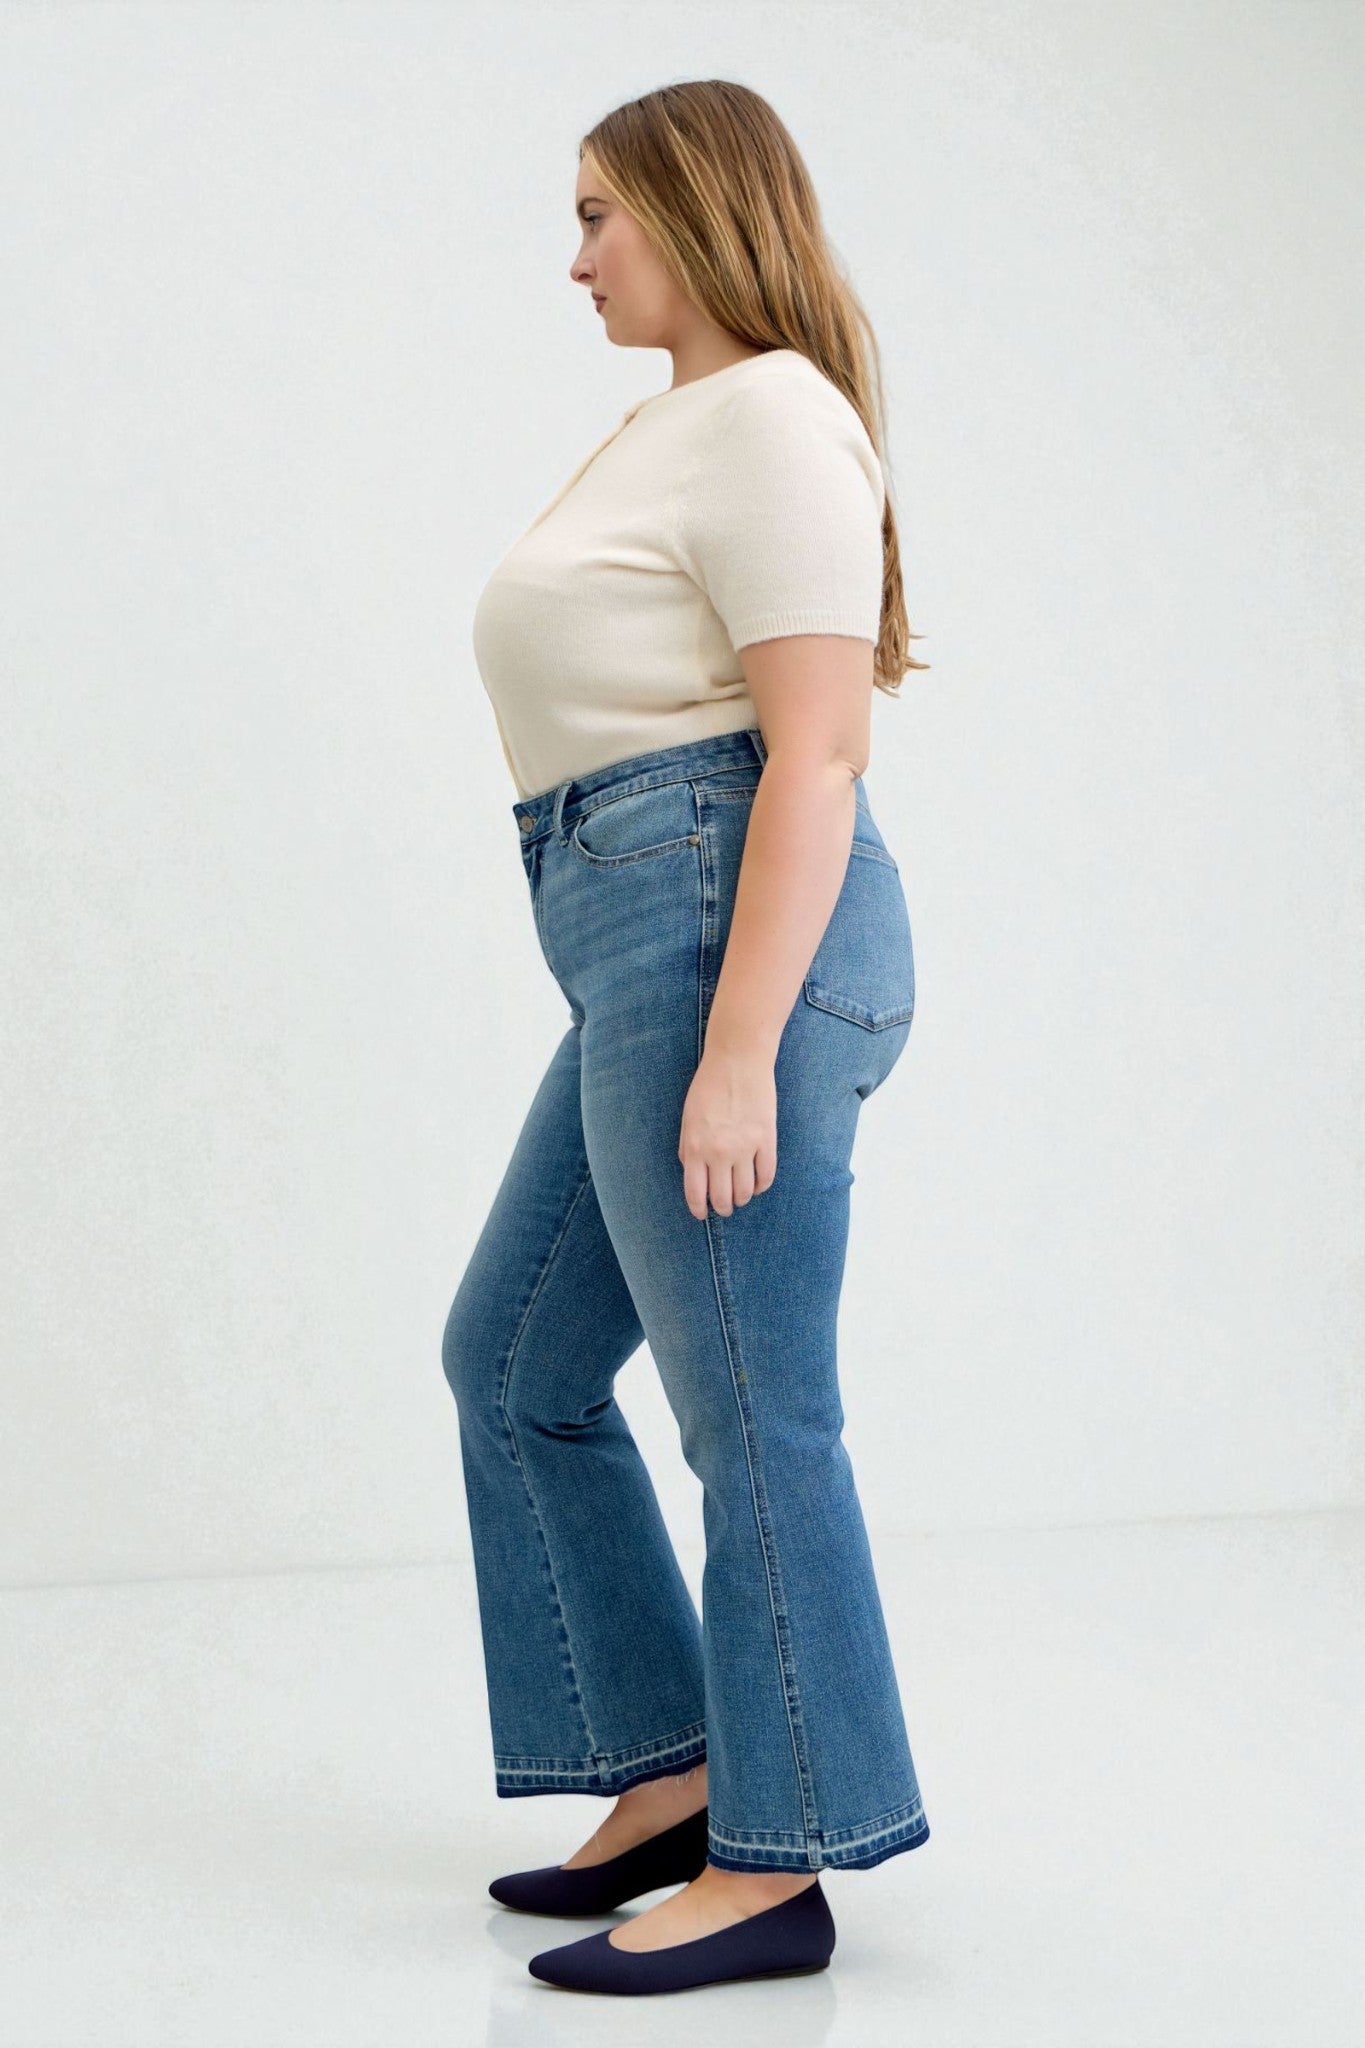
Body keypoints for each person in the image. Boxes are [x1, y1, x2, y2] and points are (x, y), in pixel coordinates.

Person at [441, 77, 932, 1997]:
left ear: (694, 208)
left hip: (732, 933)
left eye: (598, 217)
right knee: (512, 1363)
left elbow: (814, 750)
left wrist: (741, 1050)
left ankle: (783, 1863)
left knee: (752, 1412)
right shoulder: (676, 426)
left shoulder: (778, 424)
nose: (574, 260)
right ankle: (672, 1779)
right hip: (632, 928)